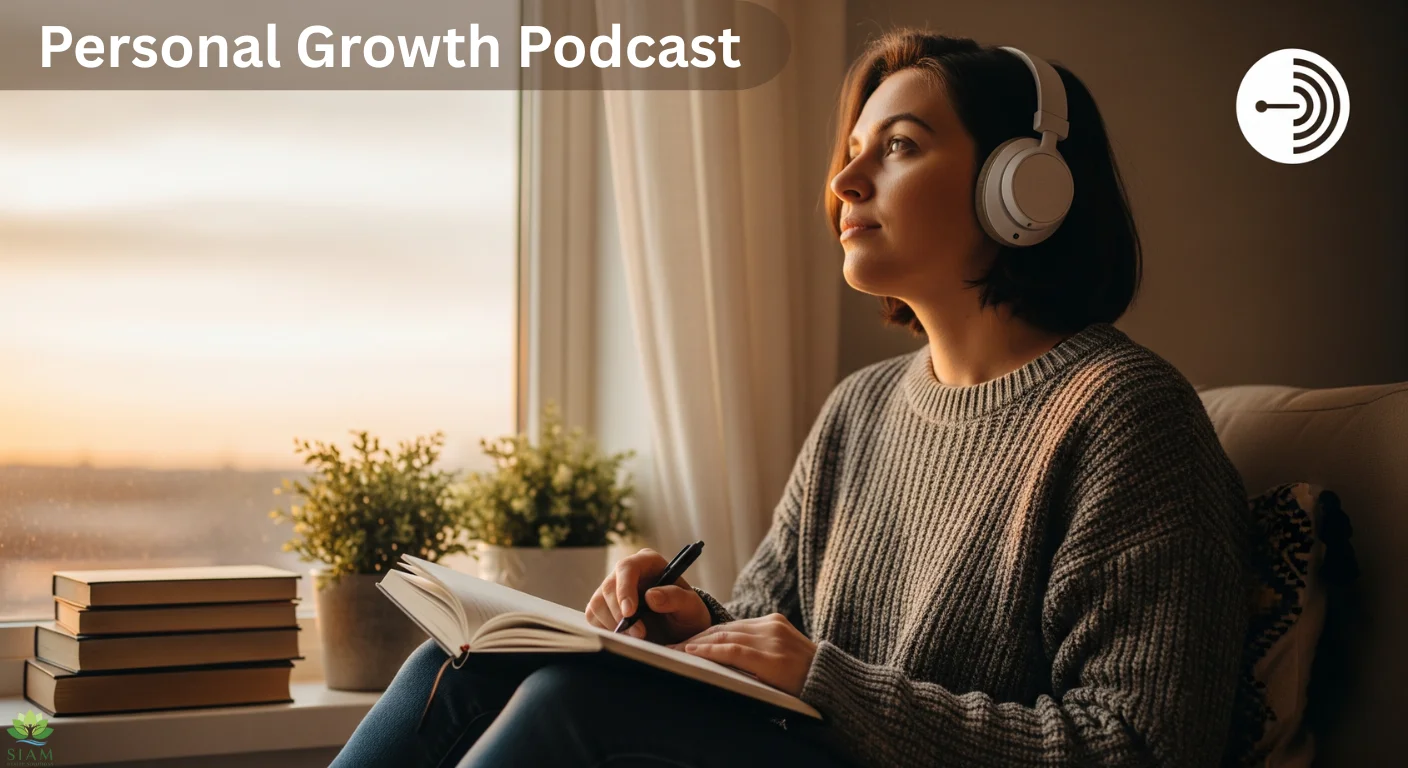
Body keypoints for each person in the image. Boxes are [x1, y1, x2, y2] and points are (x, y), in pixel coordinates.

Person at [331, 28, 1252, 768]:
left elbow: (1136, 744)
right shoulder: (861, 408)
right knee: (462, 664)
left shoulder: (1125, 415)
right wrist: (692, 624)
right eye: (852, 154)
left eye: (899, 148)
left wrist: (829, 682)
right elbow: (769, 642)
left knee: (580, 701)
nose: (845, 183)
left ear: (1025, 188)